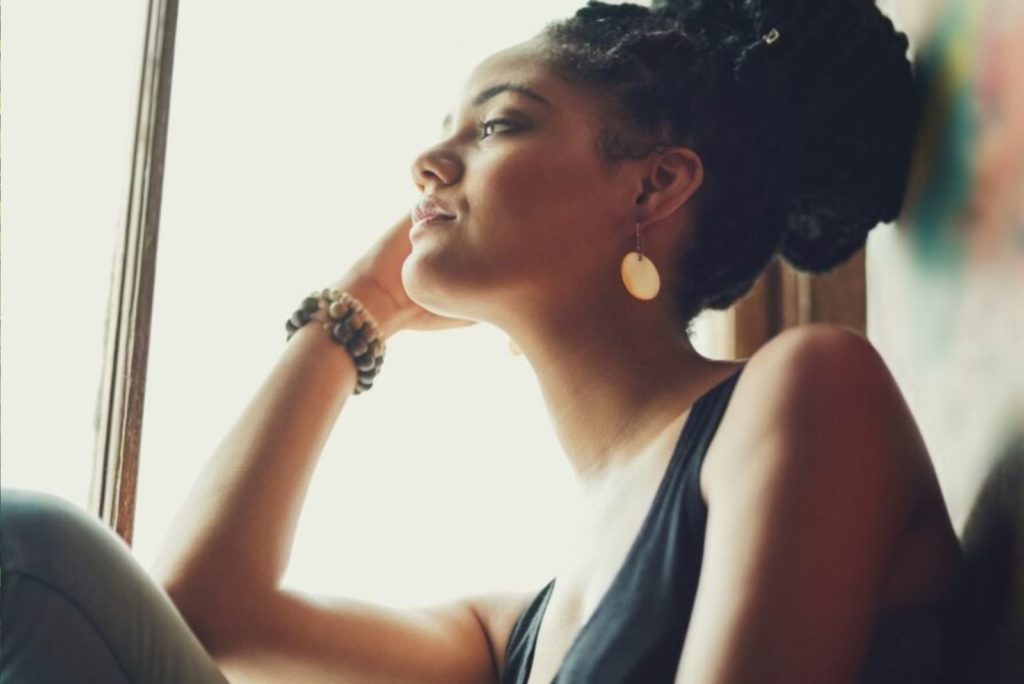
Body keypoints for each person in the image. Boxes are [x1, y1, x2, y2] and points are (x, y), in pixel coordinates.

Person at [0, 0, 966, 682]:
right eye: (444, 131)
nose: (428, 161)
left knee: (30, 549)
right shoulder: (519, 632)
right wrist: (359, 306)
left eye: (500, 123)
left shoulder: (805, 386)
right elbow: (204, 609)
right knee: (32, 557)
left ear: (654, 188)